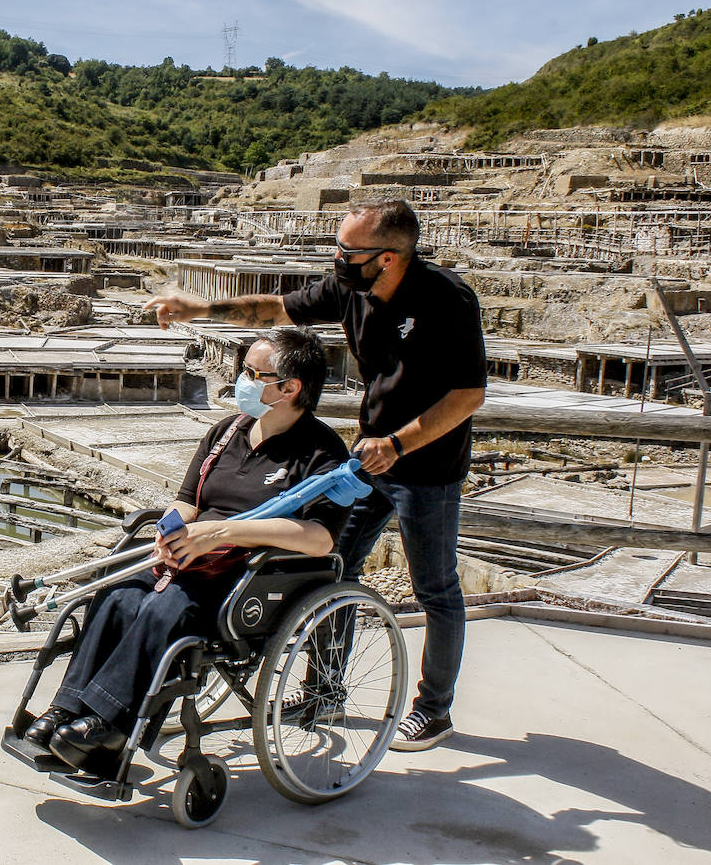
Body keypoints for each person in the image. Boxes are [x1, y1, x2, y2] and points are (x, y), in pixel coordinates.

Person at [144, 199, 486, 752]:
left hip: (426, 466)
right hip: (366, 460)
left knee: (436, 588)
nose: (339, 259)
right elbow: (276, 307)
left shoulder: (446, 300)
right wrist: (199, 308)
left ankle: (433, 709)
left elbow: (468, 395)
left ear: (390, 258)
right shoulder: (350, 289)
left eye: (350, 251)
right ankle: (324, 689)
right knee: (328, 569)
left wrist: (401, 443)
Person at [24, 328, 352, 774]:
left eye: (255, 374)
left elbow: (320, 538)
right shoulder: (226, 432)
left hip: (246, 574)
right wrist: (171, 529)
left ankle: (110, 724)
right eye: (244, 371)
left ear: (290, 388)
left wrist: (221, 534)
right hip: (190, 555)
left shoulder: (320, 453)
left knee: (165, 610)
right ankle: (68, 709)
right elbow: (186, 500)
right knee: (116, 595)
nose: (243, 380)